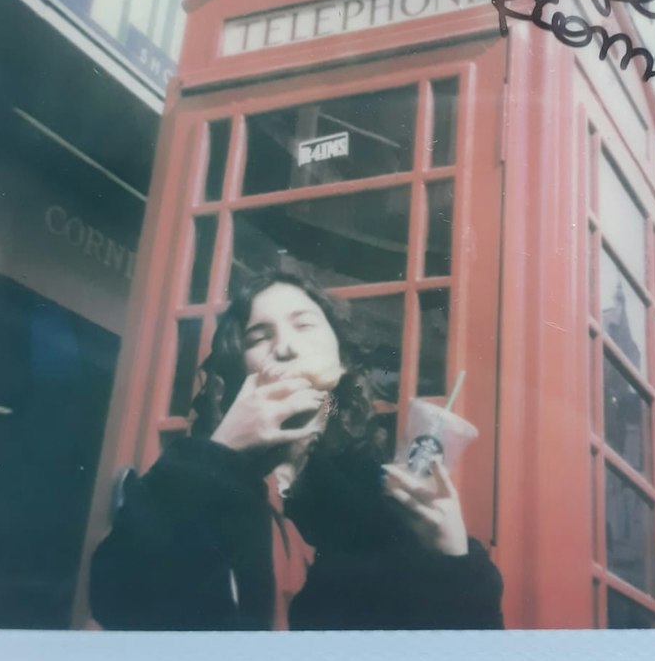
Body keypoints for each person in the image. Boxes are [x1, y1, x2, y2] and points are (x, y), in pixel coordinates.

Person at [89, 260, 503, 631]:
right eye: (258, 337)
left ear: (341, 362)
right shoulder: (199, 475)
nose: (284, 348)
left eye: (303, 325)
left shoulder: (380, 500)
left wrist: (453, 558)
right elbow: (118, 601)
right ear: (239, 369)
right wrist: (221, 452)